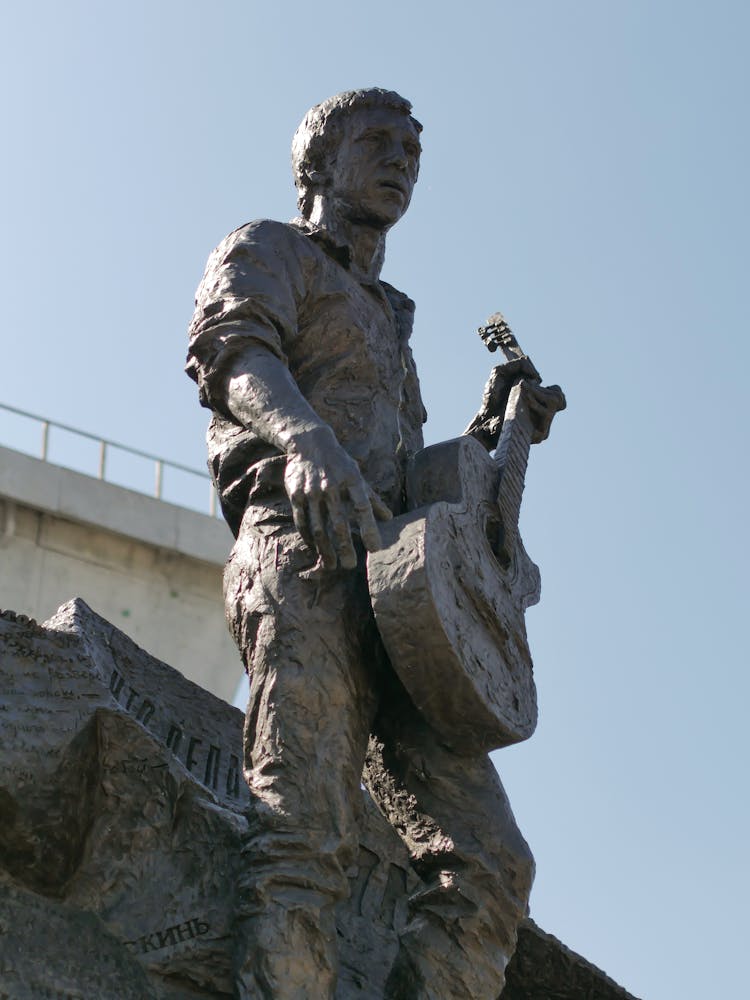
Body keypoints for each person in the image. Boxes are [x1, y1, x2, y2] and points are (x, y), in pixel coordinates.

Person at [186, 88, 534, 1000]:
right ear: (318, 164)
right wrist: (303, 439)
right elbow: (232, 351)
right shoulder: (270, 248)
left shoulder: (390, 317)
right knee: (304, 833)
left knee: (493, 866)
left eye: (414, 149)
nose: (402, 159)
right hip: (302, 557)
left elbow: (412, 474)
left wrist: (497, 433)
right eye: (378, 141)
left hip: (399, 599)